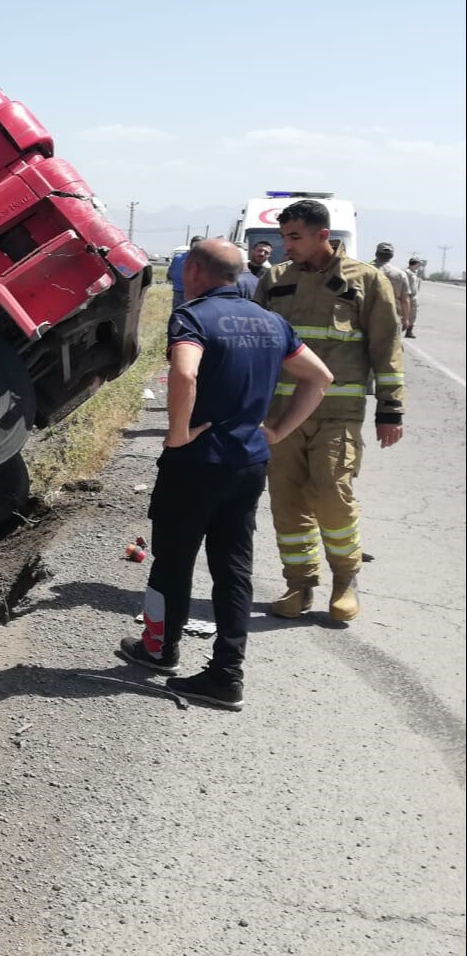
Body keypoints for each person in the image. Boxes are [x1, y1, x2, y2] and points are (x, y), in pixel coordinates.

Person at [119, 239, 332, 710]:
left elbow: (186, 373)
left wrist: (177, 434)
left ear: (193, 270)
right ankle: (225, 675)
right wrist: (277, 430)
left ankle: (158, 649)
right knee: (233, 568)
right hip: (248, 463)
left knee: (172, 561)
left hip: (195, 464)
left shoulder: (193, 317)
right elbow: (320, 378)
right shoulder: (272, 322)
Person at [254, 201, 404, 621]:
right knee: (286, 501)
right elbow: (259, 346)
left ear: (323, 235)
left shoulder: (366, 280)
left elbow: (386, 346)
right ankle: (299, 586)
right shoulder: (274, 279)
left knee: (332, 496)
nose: (285, 245)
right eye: (283, 236)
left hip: (338, 413)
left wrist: (390, 410)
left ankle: (345, 580)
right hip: (280, 415)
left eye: (294, 237)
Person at [373, 243, 412, 337]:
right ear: (392, 256)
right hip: (392, 316)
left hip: (368, 316)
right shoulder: (400, 274)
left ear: (376, 254)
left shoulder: (365, 270)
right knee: (391, 347)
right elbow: (405, 300)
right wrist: (405, 319)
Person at [169, 236, 202, 309]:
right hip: (193, 294)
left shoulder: (177, 258)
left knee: (177, 315)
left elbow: (171, 274)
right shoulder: (201, 260)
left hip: (177, 292)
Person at [404, 258, 424, 337]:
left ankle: (409, 332)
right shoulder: (406, 272)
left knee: (413, 314)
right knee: (403, 314)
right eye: (419, 264)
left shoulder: (415, 272)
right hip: (407, 295)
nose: (419, 266)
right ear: (415, 263)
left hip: (413, 296)